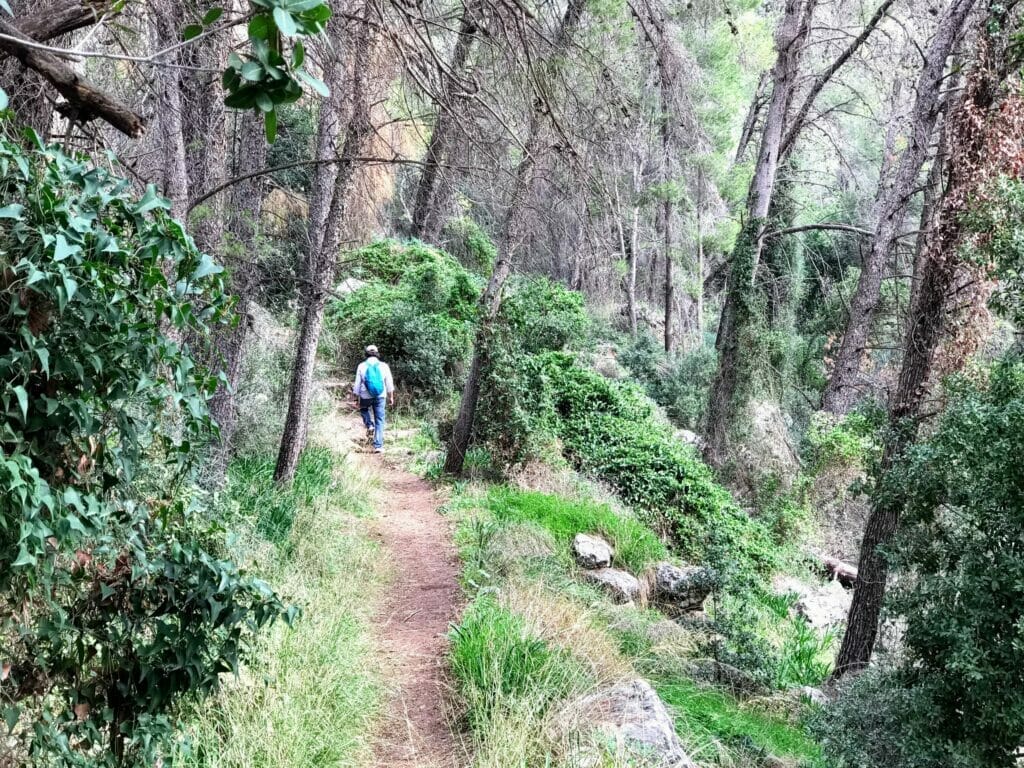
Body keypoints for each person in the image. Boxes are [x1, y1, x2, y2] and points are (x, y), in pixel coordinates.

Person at [352, 345, 395, 453]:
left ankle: (369, 425)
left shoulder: (361, 366)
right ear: (377, 353)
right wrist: (391, 397)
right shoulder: (384, 366)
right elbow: (389, 382)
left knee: (363, 409)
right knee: (380, 420)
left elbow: (357, 384)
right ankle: (378, 446)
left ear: (366, 354)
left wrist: (356, 398)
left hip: (365, 395)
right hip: (380, 395)